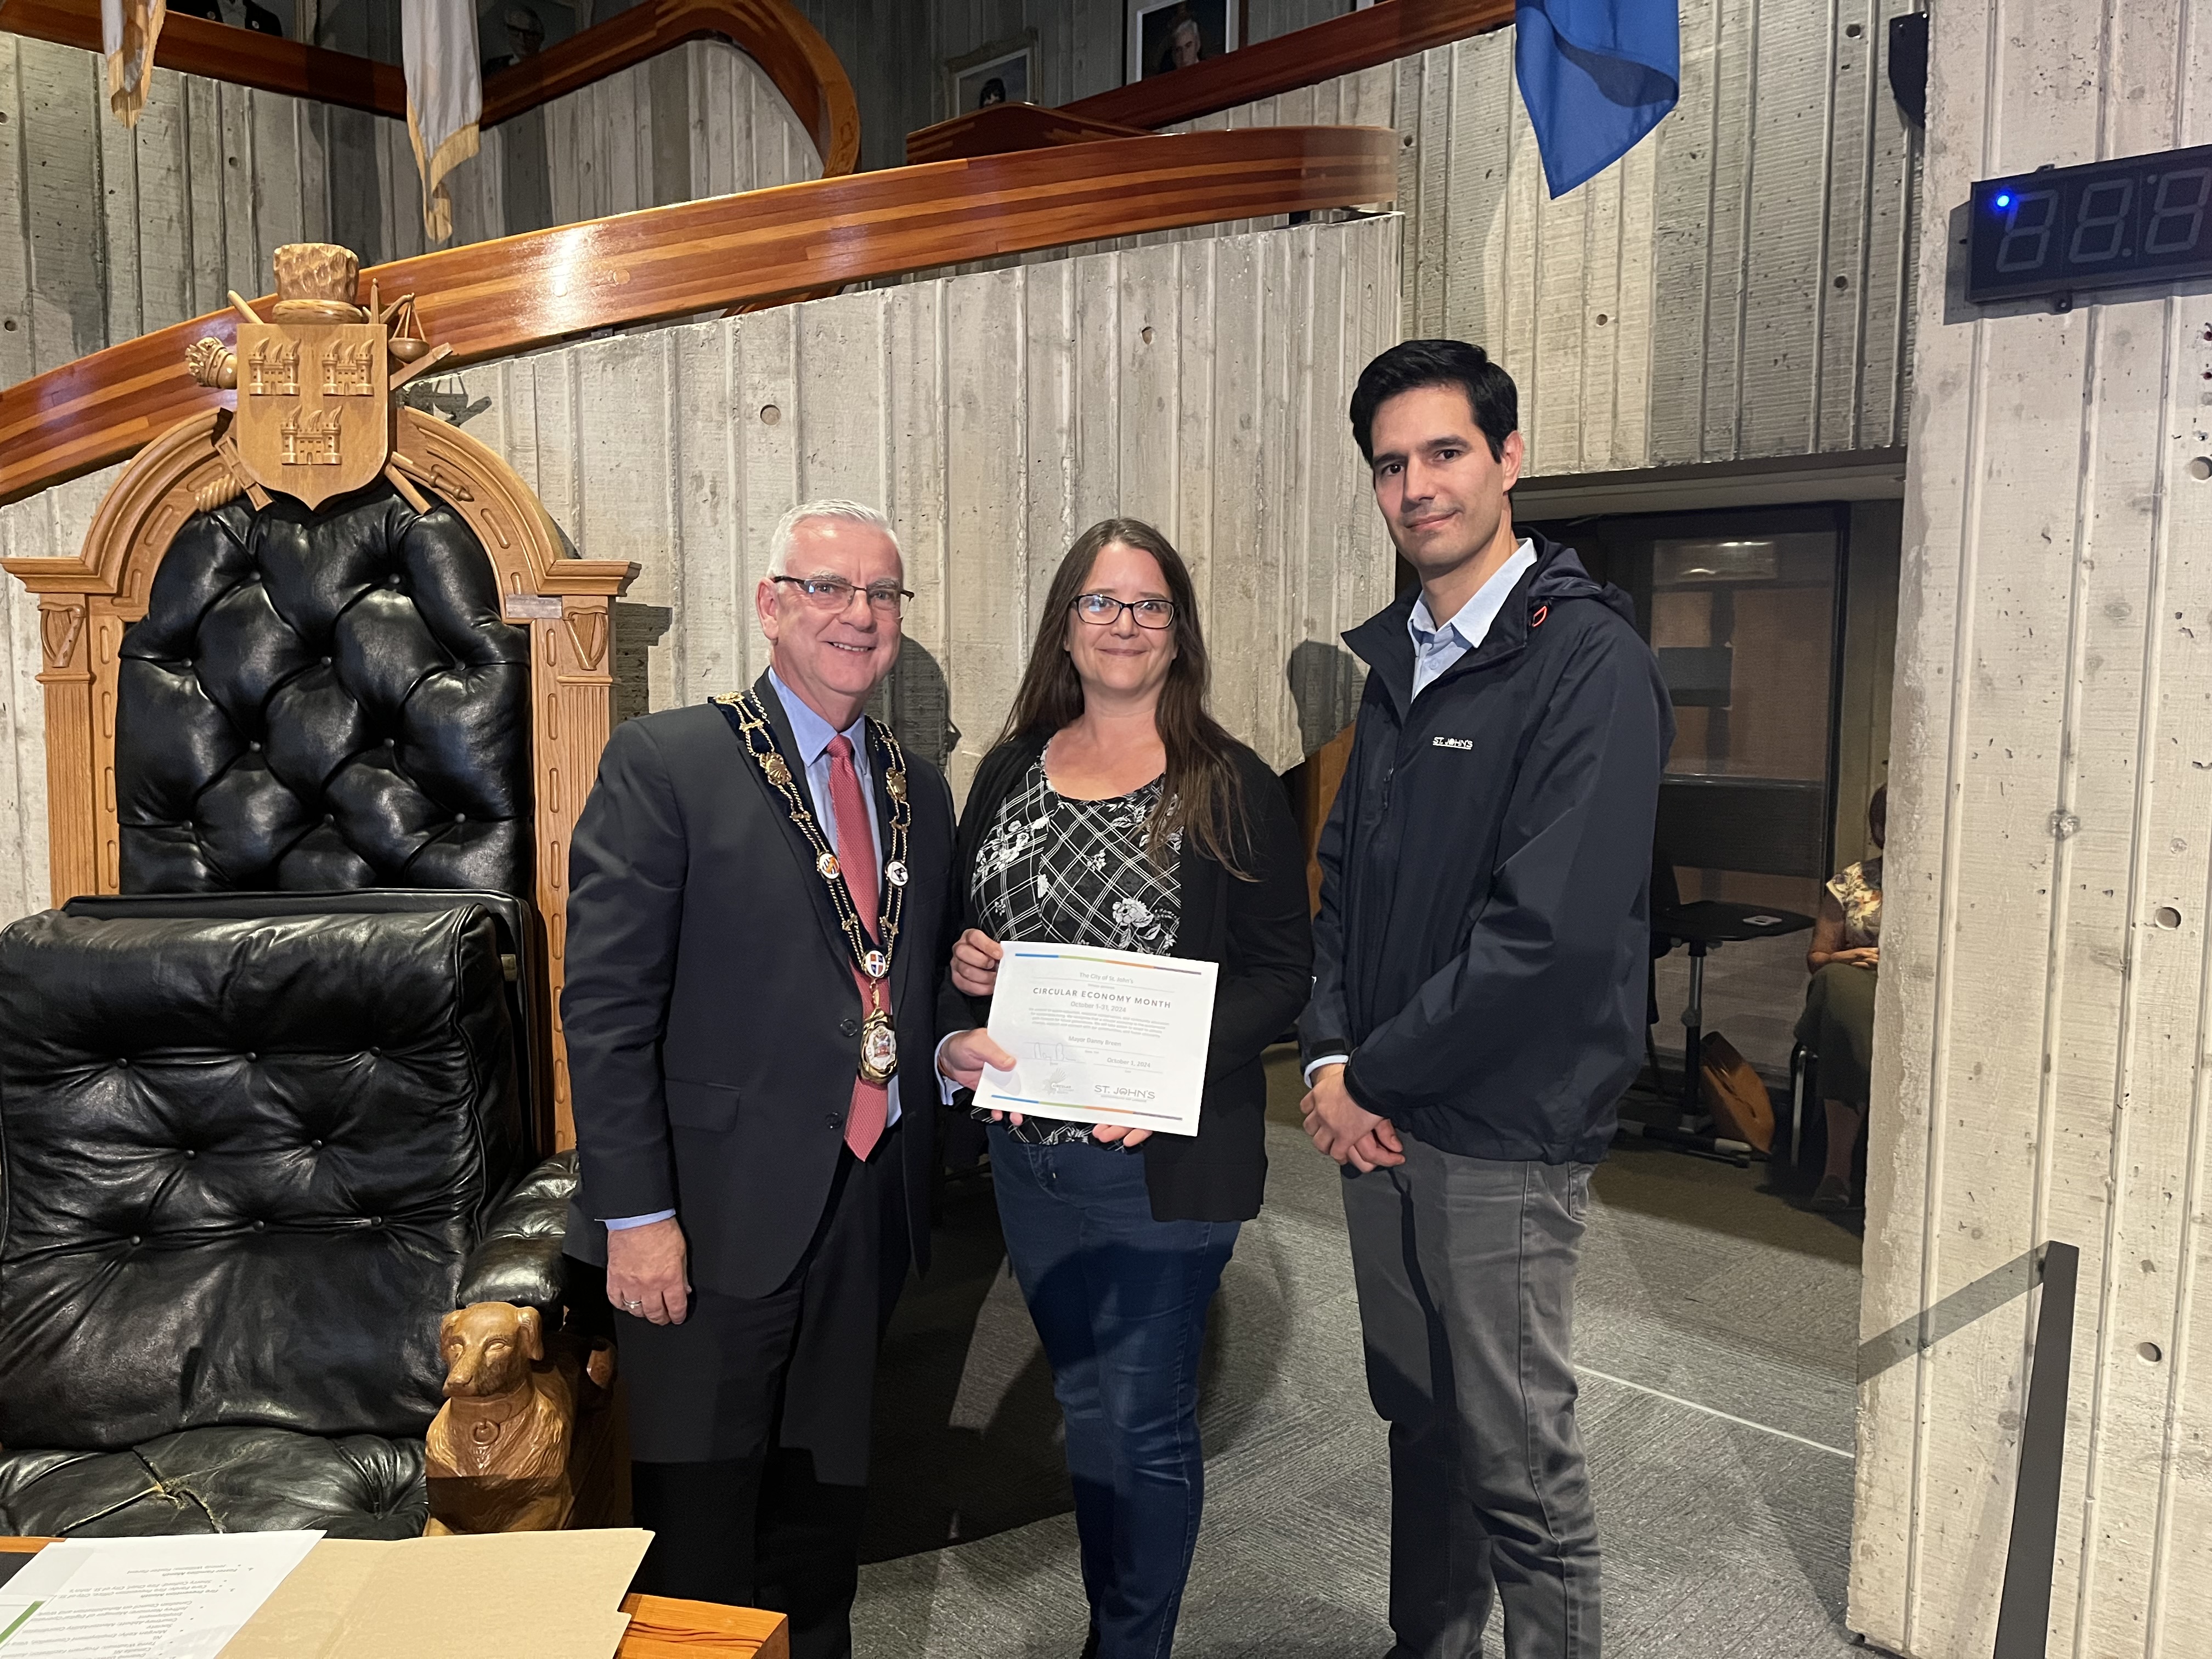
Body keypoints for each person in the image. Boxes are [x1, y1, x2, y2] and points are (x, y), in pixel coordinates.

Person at [1297, 340, 1672, 1659]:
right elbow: (1341, 883)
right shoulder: (1403, 659)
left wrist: (1366, 1079)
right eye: (1391, 464)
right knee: (1424, 1426)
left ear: (1508, 460)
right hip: (1381, 1118)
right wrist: (1325, 1062)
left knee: (1519, 1470)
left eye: (1444, 452)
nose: (1417, 486)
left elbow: (1550, 938)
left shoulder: (1586, 663)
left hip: (1501, 1131)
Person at [560, 501, 960, 1659]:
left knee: (823, 1517)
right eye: (829, 589)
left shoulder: (914, 786)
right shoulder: (667, 761)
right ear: (770, 605)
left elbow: (897, 982)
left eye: (882, 595)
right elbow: (607, 1005)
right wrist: (636, 1215)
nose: (859, 615)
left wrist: (962, 1003)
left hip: (865, 1204)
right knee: (699, 1529)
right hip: (706, 1216)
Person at [936, 517, 1311, 1659]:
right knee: (1086, 1409)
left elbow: (1284, 977)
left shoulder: (1230, 783)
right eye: (1101, 602)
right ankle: (1118, 1626)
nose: (1124, 625)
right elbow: (967, 941)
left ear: (1180, 631)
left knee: (1142, 1424)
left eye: (1148, 605)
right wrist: (965, 981)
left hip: (1161, 1164)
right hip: (1030, 1157)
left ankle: (1130, 1646)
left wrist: (1166, 1063)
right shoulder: (1009, 766)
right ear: (1065, 623)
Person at [1798, 786, 1885, 1211]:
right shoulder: (1851, 882)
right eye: (1888, 822)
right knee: (1836, 983)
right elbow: (1817, 958)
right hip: (1853, 986)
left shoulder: (1954, 882)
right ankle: (1838, 1171)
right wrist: (1845, 955)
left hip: (1920, 992)